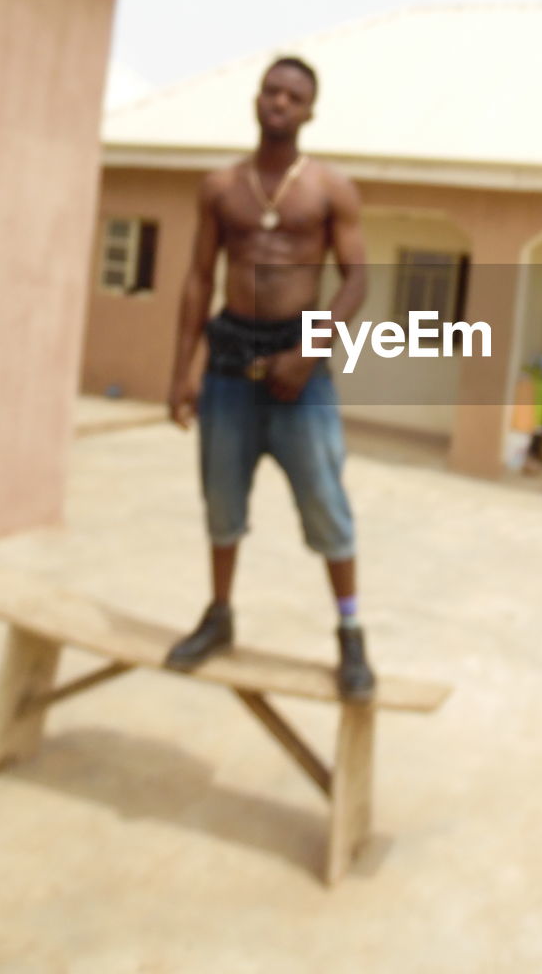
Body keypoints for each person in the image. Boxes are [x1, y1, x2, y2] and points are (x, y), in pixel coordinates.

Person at [164, 55, 375, 700]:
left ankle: (350, 632)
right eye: (272, 91)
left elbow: (358, 277)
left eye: (294, 96)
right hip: (229, 363)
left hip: (298, 365)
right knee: (222, 501)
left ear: (310, 111)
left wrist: (310, 350)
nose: (280, 102)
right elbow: (200, 277)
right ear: (257, 100)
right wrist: (182, 373)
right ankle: (219, 615)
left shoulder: (330, 189)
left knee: (324, 502)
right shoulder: (220, 187)